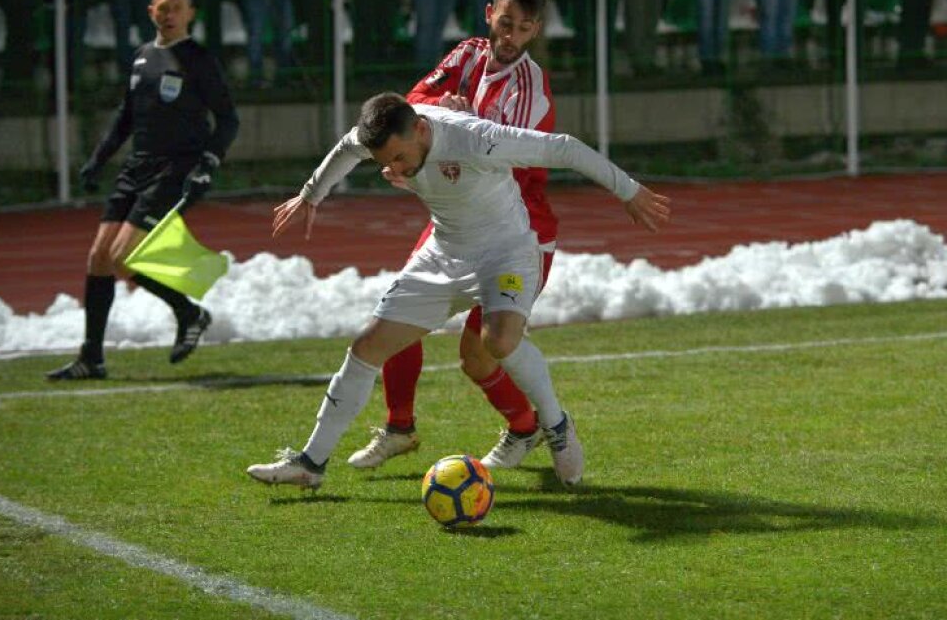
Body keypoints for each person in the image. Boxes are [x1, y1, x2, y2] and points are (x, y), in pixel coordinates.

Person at [245, 92, 671, 489]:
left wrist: (628, 191)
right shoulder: (382, 134)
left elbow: (563, 147)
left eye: (398, 157)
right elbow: (348, 146)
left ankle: (556, 425)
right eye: (383, 160)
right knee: (367, 347)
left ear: (422, 131)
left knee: (499, 341)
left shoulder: (476, 139)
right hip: (442, 256)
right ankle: (310, 463)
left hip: (505, 254)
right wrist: (310, 195)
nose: (392, 167)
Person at [346, 0, 563, 471]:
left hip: (516, 230)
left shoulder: (531, 90)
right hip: (457, 219)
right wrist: (438, 112)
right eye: (504, 23)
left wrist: (453, 130)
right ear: (489, 13)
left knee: (478, 355)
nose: (509, 37)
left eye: (523, 29)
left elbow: (499, 159)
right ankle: (400, 427)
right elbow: (407, 107)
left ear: (535, 32)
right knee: (400, 318)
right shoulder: (466, 54)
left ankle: (532, 426)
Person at [47, 0, 240, 380]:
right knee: (99, 258)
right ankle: (92, 358)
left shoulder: (199, 59)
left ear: (190, 14)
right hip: (136, 167)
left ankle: (188, 313)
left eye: (176, 7)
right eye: (162, 7)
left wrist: (208, 162)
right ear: (151, 11)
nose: (168, 14)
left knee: (122, 257)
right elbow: (126, 118)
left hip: (176, 168)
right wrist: (99, 160)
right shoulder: (141, 57)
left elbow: (227, 119)